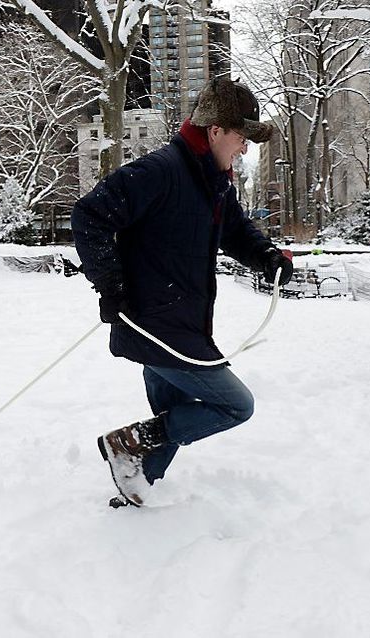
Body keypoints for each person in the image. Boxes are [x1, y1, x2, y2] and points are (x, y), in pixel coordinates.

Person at [71, 77, 294, 507]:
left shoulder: (212, 180)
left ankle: (136, 487)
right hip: (157, 324)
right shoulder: (162, 171)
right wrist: (111, 286)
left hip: (181, 318)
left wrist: (267, 257)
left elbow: (234, 229)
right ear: (215, 131)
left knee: (170, 414)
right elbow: (90, 215)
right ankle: (126, 446)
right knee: (235, 405)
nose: (245, 147)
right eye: (241, 137)